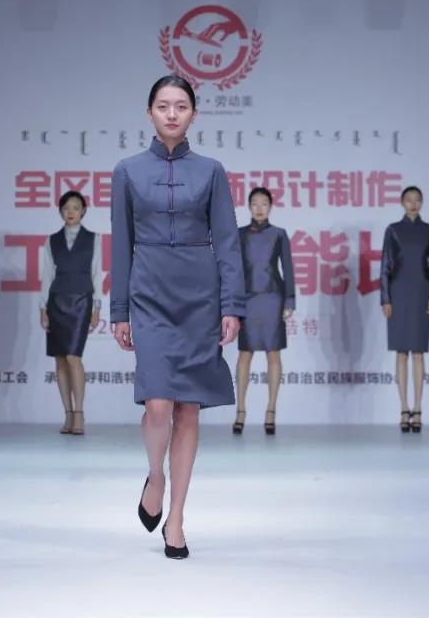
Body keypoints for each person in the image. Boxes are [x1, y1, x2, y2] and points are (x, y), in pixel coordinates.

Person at [110, 75, 245, 559]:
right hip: (149, 292)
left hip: (199, 297)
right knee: (157, 405)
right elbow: (120, 243)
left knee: (188, 407)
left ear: (194, 114)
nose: (172, 114)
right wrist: (119, 308)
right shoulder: (127, 171)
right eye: (163, 106)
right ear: (149, 112)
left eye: (181, 106)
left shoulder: (211, 171)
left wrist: (231, 305)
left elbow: (227, 242)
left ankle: (178, 519)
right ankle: (156, 476)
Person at [233, 186, 296, 435]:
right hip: (247, 299)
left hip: (272, 298)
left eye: (264, 203)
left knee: (273, 353)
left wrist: (289, 301)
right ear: (249, 206)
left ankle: (271, 411)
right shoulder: (239, 235)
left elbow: (288, 269)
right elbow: (233, 270)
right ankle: (240, 410)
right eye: (255, 203)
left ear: (270, 206)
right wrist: (231, 301)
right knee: (244, 354)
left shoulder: (279, 234)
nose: (259, 208)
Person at [380, 186, 429, 433]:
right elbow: (385, 266)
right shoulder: (393, 230)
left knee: (418, 352)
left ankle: (418, 408)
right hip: (397, 294)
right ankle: (403, 407)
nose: (413, 204)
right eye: (409, 200)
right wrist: (386, 298)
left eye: (417, 200)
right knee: (400, 353)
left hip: (420, 293)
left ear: (422, 203)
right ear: (402, 202)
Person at [39, 191, 101, 436]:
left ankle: (79, 414)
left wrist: (97, 307)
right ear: (61, 212)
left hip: (81, 301)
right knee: (60, 360)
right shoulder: (51, 240)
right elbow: (46, 275)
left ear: (83, 211)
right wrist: (43, 308)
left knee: (74, 357)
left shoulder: (93, 239)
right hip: (57, 301)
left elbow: (97, 274)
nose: (71, 212)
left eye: (75, 207)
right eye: (66, 208)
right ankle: (67, 414)